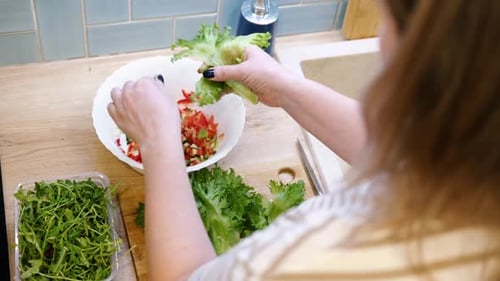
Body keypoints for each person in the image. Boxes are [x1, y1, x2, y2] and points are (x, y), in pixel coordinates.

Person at [107, 0, 500, 280]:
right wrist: (285, 90)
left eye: (388, 20)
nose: (380, 39)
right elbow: (408, 156)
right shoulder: (477, 163)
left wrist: (159, 141)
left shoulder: (328, 252)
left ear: (426, 47)